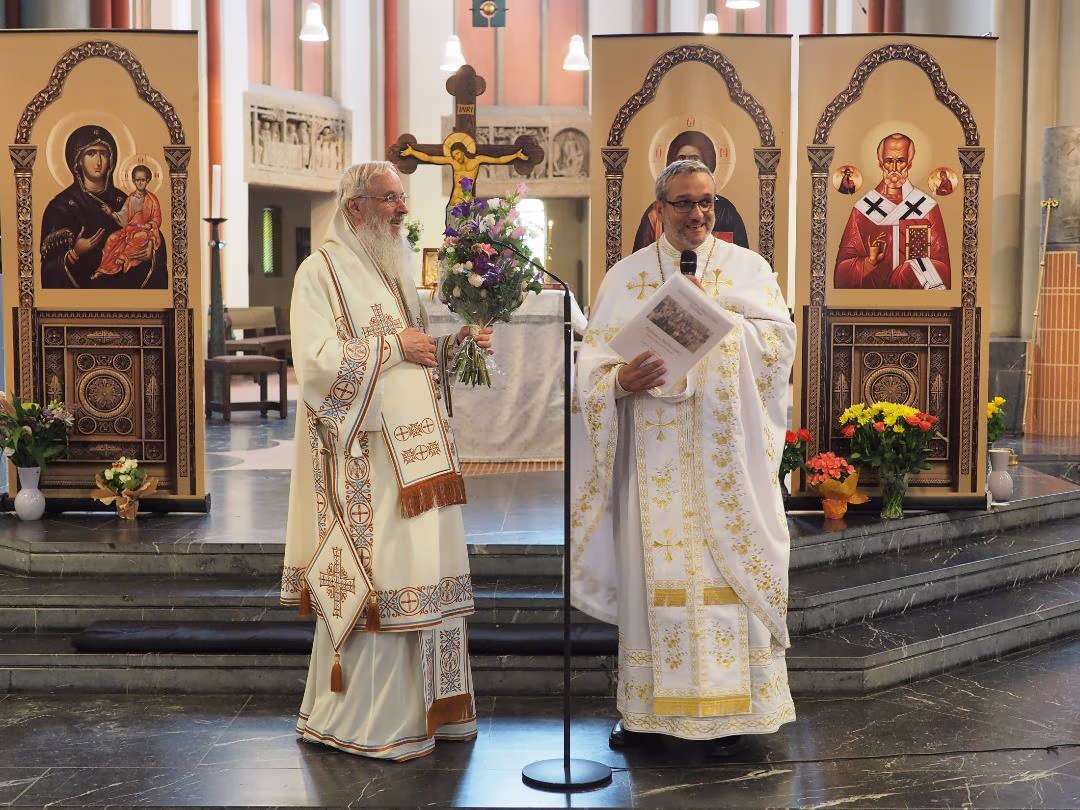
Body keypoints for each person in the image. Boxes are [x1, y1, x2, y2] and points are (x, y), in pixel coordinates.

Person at [572, 159, 796, 753]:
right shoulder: (625, 278)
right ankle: (648, 716)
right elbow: (590, 370)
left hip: (726, 465)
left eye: (706, 202)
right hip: (652, 463)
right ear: (658, 210)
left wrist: (718, 319)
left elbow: (778, 349)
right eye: (684, 203)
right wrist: (619, 381)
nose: (697, 214)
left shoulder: (748, 269)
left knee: (725, 579)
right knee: (654, 582)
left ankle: (736, 716)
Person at [281, 160, 493, 762]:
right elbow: (316, 364)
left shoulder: (394, 271)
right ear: (356, 207)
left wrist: (452, 348)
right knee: (387, 579)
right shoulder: (320, 271)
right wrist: (393, 344)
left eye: (402, 199)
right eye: (390, 199)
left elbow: (412, 365)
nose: (402, 210)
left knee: (424, 576)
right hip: (365, 465)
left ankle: (435, 714)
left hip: (419, 463)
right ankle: (371, 724)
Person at [40, 124, 167, 289]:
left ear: (111, 160)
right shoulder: (61, 207)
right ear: (78, 160)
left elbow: (151, 230)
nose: (98, 161)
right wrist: (74, 253)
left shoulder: (125, 200)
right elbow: (48, 269)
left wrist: (151, 251)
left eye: (103, 153)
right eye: (91, 153)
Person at [834, 133, 951, 290]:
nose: (895, 168)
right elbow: (841, 271)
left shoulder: (927, 207)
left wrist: (910, 271)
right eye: (889, 161)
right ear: (880, 163)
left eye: (901, 161)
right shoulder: (863, 209)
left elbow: (943, 266)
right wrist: (869, 263)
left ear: (909, 163)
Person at [631, 130, 748, 252]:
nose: (697, 215)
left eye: (694, 159)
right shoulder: (655, 213)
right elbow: (643, 255)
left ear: (706, 163)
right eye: (681, 158)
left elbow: (737, 254)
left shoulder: (727, 211)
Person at [94, 164, 163, 281]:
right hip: (130, 229)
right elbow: (123, 218)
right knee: (112, 238)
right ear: (133, 181)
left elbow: (157, 218)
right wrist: (110, 213)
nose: (140, 183)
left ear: (147, 181)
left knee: (139, 237)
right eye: (137, 180)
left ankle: (124, 257)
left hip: (146, 231)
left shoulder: (152, 199)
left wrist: (150, 224)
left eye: (142, 180)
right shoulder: (130, 198)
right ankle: (103, 268)